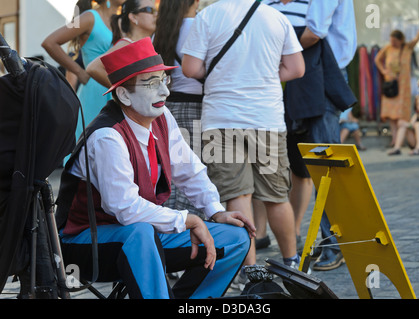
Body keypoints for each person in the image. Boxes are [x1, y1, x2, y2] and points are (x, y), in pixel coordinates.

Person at [56, 37, 255, 299]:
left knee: (236, 238)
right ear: (124, 94)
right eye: (152, 83)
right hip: (85, 245)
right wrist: (186, 219)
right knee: (140, 232)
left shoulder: (162, 116)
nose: (165, 92)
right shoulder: (107, 137)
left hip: (140, 236)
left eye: (165, 80)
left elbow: (190, 169)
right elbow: (125, 208)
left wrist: (215, 211)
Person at [181, 0, 305, 289]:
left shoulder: (207, 16)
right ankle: (292, 264)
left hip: (221, 120)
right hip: (267, 121)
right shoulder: (276, 17)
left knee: (238, 196)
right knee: (276, 196)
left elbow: (189, 68)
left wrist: (222, 76)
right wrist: (264, 77)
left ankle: (251, 273)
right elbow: (297, 68)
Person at [297, 0, 358, 271]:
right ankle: (335, 241)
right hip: (319, 71)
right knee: (323, 162)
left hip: (323, 72)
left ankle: (336, 243)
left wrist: (277, 46)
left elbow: (314, 31)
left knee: (325, 163)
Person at [255, 0, 313, 252]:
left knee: (300, 167)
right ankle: (259, 231)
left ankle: (296, 228)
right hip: (265, 96)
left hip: (302, 91)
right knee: (258, 165)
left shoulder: (310, 5)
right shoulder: (263, 6)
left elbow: (318, 35)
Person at [42, 0, 126, 141]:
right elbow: (50, 42)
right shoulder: (89, 17)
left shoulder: (123, 20)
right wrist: (79, 71)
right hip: (94, 91)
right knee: (89, 145)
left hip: (117, 90)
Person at [152, 0, 204, 218]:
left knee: (171, 171)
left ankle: (169, 223)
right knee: (192, 173)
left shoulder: (160, 32)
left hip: (168, 107)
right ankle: (190, 229)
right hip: (197, 108)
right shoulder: (201, 26)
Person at [86, 0, 158, 89]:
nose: (156, 15)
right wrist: (128, 93)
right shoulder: (127, 44)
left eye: (156, 11)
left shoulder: (139, 44)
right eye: (149, 10)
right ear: (133, 17)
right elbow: (93, 68)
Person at [375, 28, 419, 147]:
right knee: (391, 114)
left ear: (401, 40)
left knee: (400, 114)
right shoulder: (387, 48)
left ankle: (403, 139)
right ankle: (395, 139)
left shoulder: (407, 48)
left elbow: (417, 38)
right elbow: (377, 60)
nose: (393, 43)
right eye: (391, 40)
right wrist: (384, 71)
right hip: (390, 85)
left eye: (395, 41)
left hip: (403, 87)